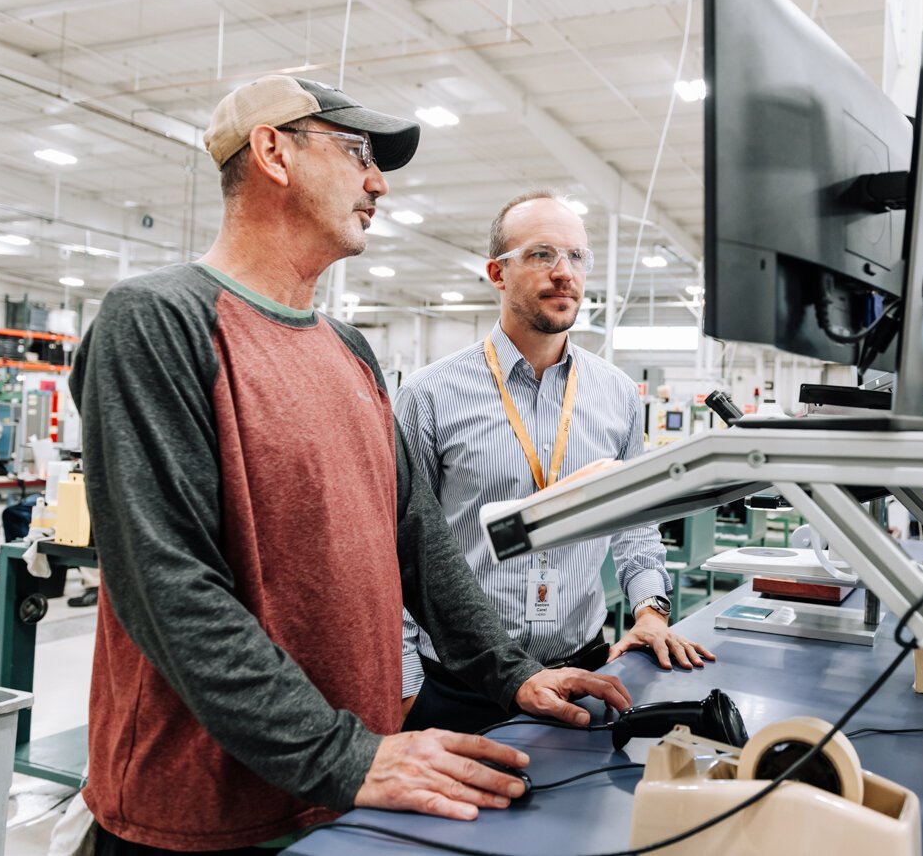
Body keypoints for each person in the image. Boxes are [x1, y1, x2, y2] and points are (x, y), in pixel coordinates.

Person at [70, 77, 630, 855]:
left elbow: (419, 540)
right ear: (272, 150)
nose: (378, 181)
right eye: (358, 152)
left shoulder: (350, 352)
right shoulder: (158, 321)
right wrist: (340, 754)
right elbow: (166, 582)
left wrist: (509, 674)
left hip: (347, 795)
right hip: (207, 811)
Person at [395, 190, 715, 734]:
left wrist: (650, 611)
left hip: (582, 668)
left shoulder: (616, 393)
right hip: (463, 682)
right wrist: (404, 688)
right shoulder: (428, 394)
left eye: (576, 256)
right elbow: (400, 552)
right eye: (542, 254)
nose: (564, 272)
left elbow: (634, 525)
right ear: (497, 273)